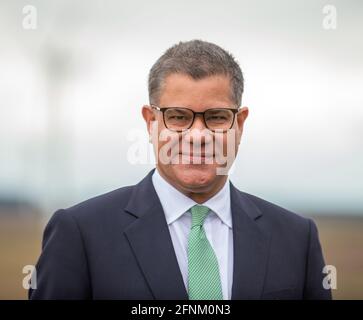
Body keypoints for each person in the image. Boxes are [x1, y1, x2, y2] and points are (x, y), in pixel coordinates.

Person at [29, 39, 331, 300]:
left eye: (216, 117)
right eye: (177, 117)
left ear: (239, 124)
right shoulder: (80, 234)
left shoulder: (296, 239)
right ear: (151, 122)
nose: (198, 136)